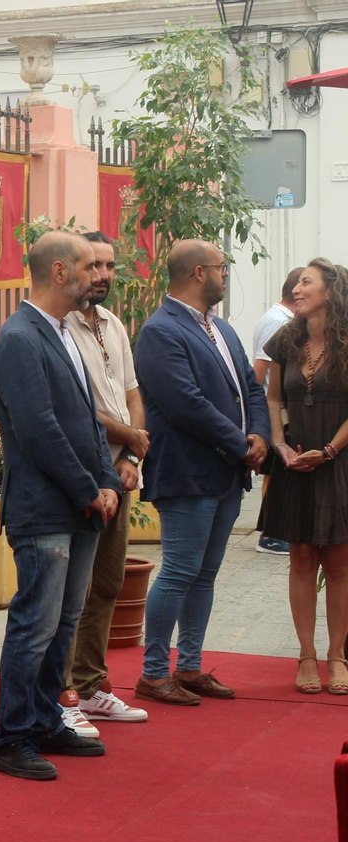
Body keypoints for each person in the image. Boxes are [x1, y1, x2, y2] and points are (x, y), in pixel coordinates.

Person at [0, 231, 117, 781]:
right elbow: (38, 430)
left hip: (78, 506)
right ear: (60, 272)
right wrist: (89, 490)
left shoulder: (61, 330)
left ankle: (42, 720)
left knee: (63, 623)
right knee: (35, 626)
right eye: (89, 266)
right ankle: (9, 737)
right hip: (44, 509)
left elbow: (87, 419)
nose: (98, 275)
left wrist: (107, 480)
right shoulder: (20, 337)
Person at [133, 239, 271, 706]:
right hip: (187, 471)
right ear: (197, 273)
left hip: (226, 471)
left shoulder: (222, 328)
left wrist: (260, 435)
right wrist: (241, 444)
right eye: (221, 266)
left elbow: (251, 387)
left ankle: (189, 667)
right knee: (179, 570)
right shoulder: (160, 331)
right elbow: (184, 403)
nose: (226, 273)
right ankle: (154, 672)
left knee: (206, 573)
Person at [61, 232, 152, 729]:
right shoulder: (62, 326)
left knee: (108, 585)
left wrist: (132, 454)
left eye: (109, 266)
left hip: (120, 474)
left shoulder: (113, 323)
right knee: (71, 591)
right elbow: (77, 409)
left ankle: (92, 684)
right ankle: (63, 693)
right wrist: (130, 438)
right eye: (93, 265)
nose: (102, 275)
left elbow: (132, 392)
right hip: (83, 476)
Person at [256, 258, 348, 695]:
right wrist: (279, 444)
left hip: (340, 461)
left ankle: (338, 656)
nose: (296, 289)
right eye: (296, 284)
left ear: (329, 292)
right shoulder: (286, 339)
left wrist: (330, 450)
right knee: (302, 560)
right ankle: (306, 654)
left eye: (306, 283)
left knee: (340, 563)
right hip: (294, 462)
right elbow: (273, 397)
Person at [254, 268, 303, 555]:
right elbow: (259, 370)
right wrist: (257, 413)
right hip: (275, 411)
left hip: (278, 409)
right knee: (275, 472)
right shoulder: (279, 323)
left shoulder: (281, 319)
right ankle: (271, 534)